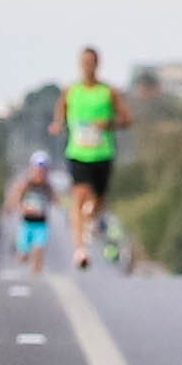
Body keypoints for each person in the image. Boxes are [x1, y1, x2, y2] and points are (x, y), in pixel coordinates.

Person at [61, 47, 124, 270]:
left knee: (99, 200)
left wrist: (108, 123)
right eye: (84, 62)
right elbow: (60, 113)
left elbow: (125, 119)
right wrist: (57, 124)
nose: (87, 66)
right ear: (80, 64)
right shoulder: (71, 90)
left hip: (102, 153)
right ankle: (80, 250)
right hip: (78, 153)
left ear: (97, 64)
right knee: (79, 196)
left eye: (91, 62)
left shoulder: (108, 92)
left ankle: (90, 217)